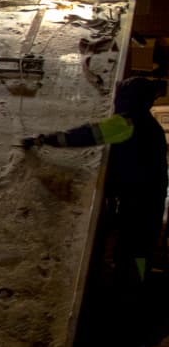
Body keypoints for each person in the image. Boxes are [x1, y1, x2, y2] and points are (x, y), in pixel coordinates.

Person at [22, 75, 168, 285]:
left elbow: (87, 135)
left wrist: (44, 139)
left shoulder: (127, 122)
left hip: (138, 202)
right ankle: (136, 285)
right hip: (150, 200)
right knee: (140, 248)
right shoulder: (151, 127)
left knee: (131, 247)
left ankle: (129, 289)